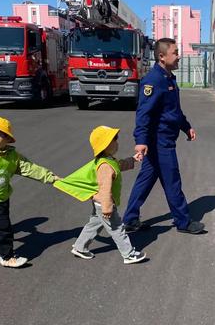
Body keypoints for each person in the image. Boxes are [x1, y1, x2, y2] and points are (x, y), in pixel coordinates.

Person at [123, 38, 205, 235]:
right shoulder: (153, 80)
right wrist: (140, 141)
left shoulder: (169, 78)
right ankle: (183, 221)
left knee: (146, 180)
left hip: (164, 139)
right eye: (175, 53)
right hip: (160, 141)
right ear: (162, 56)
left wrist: (186, 127)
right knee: (172, 180)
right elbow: (144, 113)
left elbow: (173, 111)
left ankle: (130, 219)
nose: (179, 57)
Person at [0, 116, 59, 268]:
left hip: (2, 197)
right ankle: (7, 257)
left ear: (7, 138)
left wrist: (50, 177)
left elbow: (30, 168)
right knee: (3, 228)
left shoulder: (12, 156)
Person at [54, 125, 147, 264]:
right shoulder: (105, 166)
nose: (117, 142)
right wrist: (107, 208)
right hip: (104, 202)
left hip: (101, 202)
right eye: (114, 139)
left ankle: (80, 247)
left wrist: (133, 159)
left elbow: (119, 165)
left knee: (94, 224)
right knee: (117, 228)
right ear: (106, 145)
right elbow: (105, 189)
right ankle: (128, 254)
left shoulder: (109, 160)